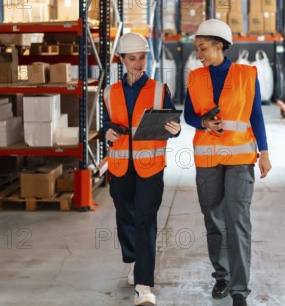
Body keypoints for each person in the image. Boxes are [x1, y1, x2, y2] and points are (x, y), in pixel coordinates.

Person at [184, 19, 272, 306]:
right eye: (198, 49)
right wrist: (204, 122)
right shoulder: (195, 78)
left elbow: (256, 115)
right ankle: (221, 275)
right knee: (213, 220)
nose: (200, 54)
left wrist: (266, 152)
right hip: (207, 158)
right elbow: (187, 115)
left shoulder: (247, 74)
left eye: (204, 48)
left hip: (239, 158)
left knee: (237, 222)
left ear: (219, 46)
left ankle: (239, 290)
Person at [102, 32, 181, 306]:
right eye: (132, 58)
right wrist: (108, 133)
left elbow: (172, 122)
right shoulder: (110, 93)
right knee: (125, 217)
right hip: (121, 167)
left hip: (150, 167)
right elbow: (107, 125)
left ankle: (144, 285)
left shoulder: (160, 90)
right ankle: (135, 260)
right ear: (122, 60)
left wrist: (176, 129)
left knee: (145, 221)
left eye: (142, 57)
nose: (138, 63)